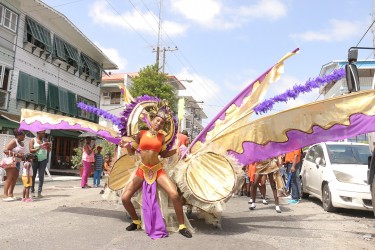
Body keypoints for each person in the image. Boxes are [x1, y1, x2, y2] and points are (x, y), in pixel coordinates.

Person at [120, 104, 192, 239]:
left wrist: (177, 150)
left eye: (162, 123)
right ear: (152, 120)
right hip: (142, 170)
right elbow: (132, 152)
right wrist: (126, 146)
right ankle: (136, 221)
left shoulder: (161, 137)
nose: (159, 124)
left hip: (157, 169)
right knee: (125, 198)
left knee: (174, 195)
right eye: (157, 121)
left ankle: (182, 226)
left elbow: (163, 154)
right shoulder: (141, 134)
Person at [2, 130, 26, 201]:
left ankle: (11, 194)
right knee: (9, 178)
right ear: (18, 136)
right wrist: (16, 154)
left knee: (15, 179)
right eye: (23, 135)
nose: (24, 137)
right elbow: (5, 150)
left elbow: (21, 153)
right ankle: (5, 195)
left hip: (18, 162)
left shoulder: (22, 143)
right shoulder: (14, 142)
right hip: (11, 162)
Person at [29, 130, 51, 198]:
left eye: (44, 133)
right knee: (33, 176)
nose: (44, 134)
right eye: (43, 133)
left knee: (41, 176)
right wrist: (39, 148)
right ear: (38, 133)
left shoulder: (45, 140)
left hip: (43, 160)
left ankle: (39, 192)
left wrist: (48, 146)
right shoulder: (33, 140)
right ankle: (32, 191)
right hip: (35, 159)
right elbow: (30, 150)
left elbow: (49, 150)